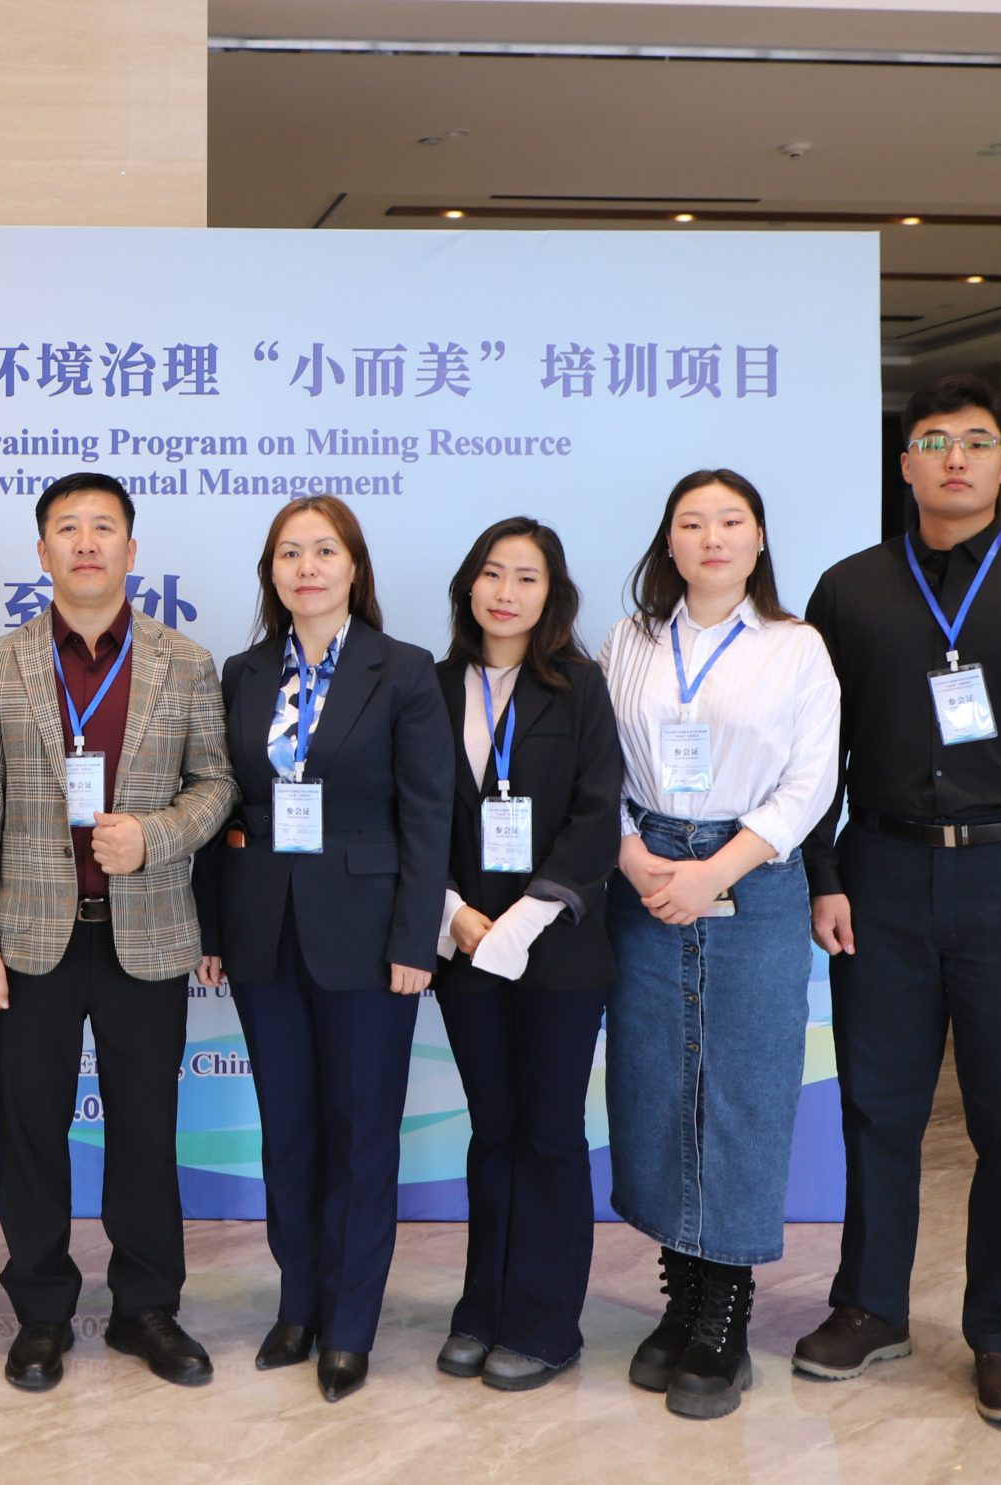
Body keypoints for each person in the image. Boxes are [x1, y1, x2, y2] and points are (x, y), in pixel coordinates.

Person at [791, 374, 1001, 1431]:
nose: (956, 459)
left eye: (975, 441)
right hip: (880, 877)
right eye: (934, 442)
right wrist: (824, 874)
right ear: (906, 465)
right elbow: (814, 754)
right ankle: (870, 1305)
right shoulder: (850, 589)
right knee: (876, 1107)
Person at [0, 473, 237, 1393]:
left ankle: (146, 1306)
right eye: (67, 528)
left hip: (145, 933)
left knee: (146, 1131)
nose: (86, 542)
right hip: (30, 939)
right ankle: (41, 1309)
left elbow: (217, 784)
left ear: (131, 548)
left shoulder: (184, 661)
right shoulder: (1, 664)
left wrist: (154, 835)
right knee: (30, 1129)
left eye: (103, 527)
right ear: (42, 552)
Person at [192, 494, 451, 1403]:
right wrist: (214, 929)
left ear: (354, 567)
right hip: (264, 932)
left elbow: (428, 816)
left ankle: (349, 1322)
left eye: (324, 550)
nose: (306, 567)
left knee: (361, 1134)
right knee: (291, 1131)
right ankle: (297, 1303)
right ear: (271, 572)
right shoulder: (244, 670)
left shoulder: (403, 669)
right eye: (289, 553)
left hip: (371, 940)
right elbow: (220, 801)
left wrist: (416, 937)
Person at [599, 469, 840, 1420]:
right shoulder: (629, 639)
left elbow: (811, 782)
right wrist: (631, 854)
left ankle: (724, 1319)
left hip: (755, 874)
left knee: (740, 1088)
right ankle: (681, 1299)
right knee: (659, 1082)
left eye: (730, 521)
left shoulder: (795, 645)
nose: (711, 537)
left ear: (759, 538)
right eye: (692, 522)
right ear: (669, 540)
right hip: (645, 871)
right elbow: (595, 763)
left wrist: (717, 870)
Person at [428, 517, 622, 1392]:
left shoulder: (579, 687)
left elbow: (596, 814)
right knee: (494, 1129)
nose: (506, 592)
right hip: (464, 943)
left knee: (547, 1132)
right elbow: (412, 813)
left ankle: (545, 1324)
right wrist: (455, 914)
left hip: (556, 951)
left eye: (527, 577)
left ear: (553, 595)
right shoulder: (432, 687)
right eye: (493, 573)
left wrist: (524, 919)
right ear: (469, 585)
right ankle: (483, 1307)